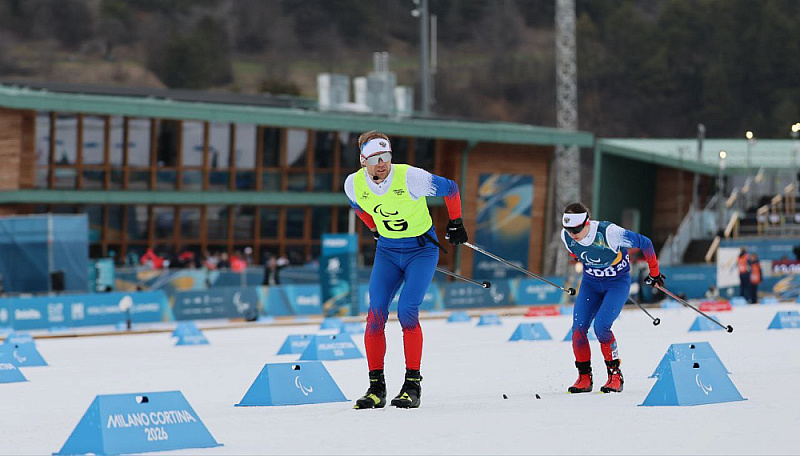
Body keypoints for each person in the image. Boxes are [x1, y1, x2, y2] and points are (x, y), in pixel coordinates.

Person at [344, 130, 467, 409]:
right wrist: (375, 229)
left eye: (385, 157)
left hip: (421, 250)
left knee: (407, 311)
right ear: (363, 160)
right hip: (387, 252)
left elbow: (451, 188)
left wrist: (456, 222)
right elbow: (359, 208)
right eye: (375, 158)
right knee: (375, 315)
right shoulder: (353, 184)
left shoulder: (411, 177)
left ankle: (412, 385)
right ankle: (376, 388)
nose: (382, 164)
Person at [560, 202, 663, 394]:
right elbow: (575, 252)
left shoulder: (610, 233)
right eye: (569, 229)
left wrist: (654, 273)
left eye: (577, 229)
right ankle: (584, 377)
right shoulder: (566, 235)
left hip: (617, 284)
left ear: (587, 223)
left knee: (601, 327)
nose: (573, 233)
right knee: (578, 328)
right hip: (590, 285)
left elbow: (645, 243)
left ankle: (615, 376)